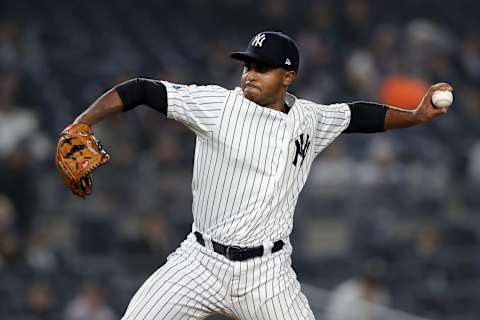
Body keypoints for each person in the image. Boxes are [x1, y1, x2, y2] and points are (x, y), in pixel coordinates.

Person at [62, 31, 451, 319]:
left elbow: (358, 115)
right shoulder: (216, 105)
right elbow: (141, 90)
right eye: (247, 65)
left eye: (261, 68)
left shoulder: (310, 119)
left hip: (268, 274)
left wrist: (415, 116)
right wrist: (80, 124)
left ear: (287, 76)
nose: (249, 74)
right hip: (199, 261)